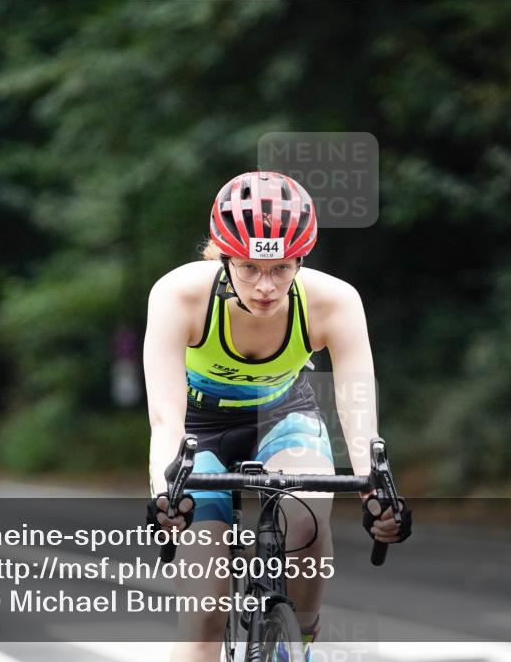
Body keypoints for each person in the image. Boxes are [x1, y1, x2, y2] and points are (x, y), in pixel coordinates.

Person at [144, 171, 410, 662]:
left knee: (307, 518)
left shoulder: (334, 301)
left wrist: (375, 484)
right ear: (224, 257)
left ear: (301, 259)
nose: (265, 286)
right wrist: (167, 492)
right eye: (248, 268)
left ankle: (302, 640)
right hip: (198, 430)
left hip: (283, 416)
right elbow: (166, 418)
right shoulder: (178, 295)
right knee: (204, 613)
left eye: (282, 268)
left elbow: (358, 414)